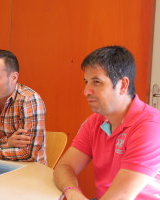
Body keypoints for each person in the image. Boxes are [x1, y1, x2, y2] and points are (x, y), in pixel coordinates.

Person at [53, 46, 160, 200]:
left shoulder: (150, 127)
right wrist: (72, 191)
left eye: (96, 82)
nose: (86, 91)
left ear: (123, 85)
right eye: (86, 82)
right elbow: (64, 167)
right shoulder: (95, 121)